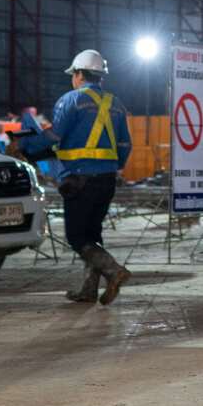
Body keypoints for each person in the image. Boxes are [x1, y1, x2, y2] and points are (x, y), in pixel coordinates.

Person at [48, 49, 133, 305]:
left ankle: (114, 271)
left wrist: (26, 146)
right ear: (100, 77)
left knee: (76, 237)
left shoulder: (70, 100)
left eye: (73, 74)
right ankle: (88, 289)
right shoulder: (116, 104)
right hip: (107, 180)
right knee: (93, 234)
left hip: (79, 180)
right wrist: (110, 166)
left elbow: (54, 137)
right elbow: (125, 145)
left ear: (79, 74)